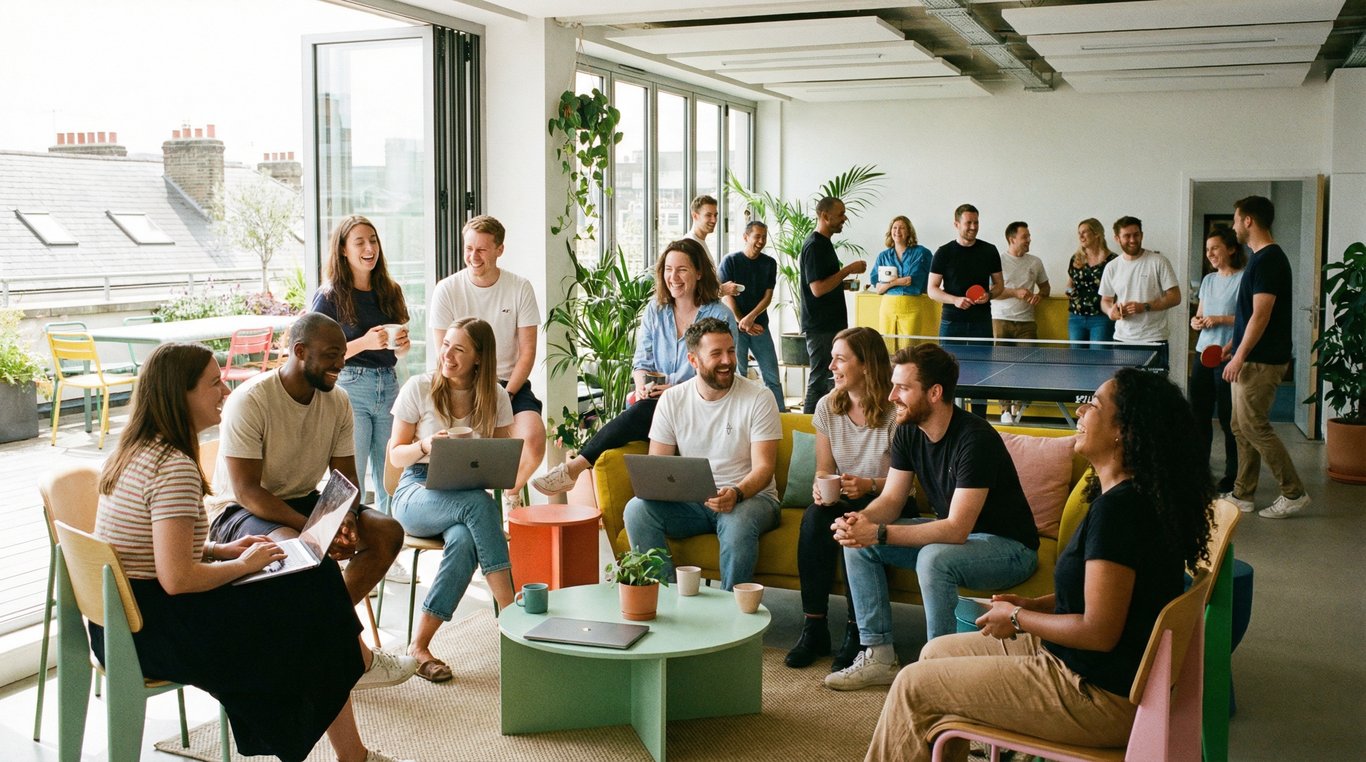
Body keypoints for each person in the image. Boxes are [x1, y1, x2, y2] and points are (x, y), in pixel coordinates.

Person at [864, 369, 1215, 762]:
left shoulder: (1120, 514)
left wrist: (1017, 618)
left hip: (1095, 695)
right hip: (1090, 670)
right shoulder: (1133, 498)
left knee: (914, 685)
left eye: (1093, 404)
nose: (1080, 411)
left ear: (1124, 430)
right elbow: (1113, 599)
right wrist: (1038, 606)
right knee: (934, 655)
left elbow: (1099, 631)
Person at [93, 343, 413, 762]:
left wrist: (223, 551)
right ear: (180, 394)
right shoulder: (173, 467)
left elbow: (156, 550)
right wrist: (244, 564)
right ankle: (354, 690)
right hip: (152, 631)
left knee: (309, 593)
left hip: (120, 623)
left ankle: (352, 705)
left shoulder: (136, 451)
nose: (224, 392)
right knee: (308, 610)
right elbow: (178, 579)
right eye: (213, 384)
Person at [825, 343, 1038, 691]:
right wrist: (860, 523)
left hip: (1009, 547)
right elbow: (892, 499)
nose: (892, 395)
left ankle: (938, 669)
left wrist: (879, 534)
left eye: (903, 388)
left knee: (934, 558)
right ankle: (878, 655)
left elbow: (956, 529)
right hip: (959, 540)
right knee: (857, 545)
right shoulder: (908, 429)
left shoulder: (975, 439)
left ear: (935, 393)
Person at [208, 312, 406, 609]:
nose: (341, 363)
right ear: (300, 351)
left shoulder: (338, 401)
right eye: (331, 355)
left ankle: (329, 625)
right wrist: (314, 530)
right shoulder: (251, 400)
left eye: (341, 354)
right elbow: (247, 491)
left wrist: (346, 518)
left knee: (387, 532)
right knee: (302, 553)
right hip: (239, 511)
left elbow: (346, 479)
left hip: (303, 501)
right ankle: (337, 638)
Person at [532, 239, 738, 496]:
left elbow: (725, 370)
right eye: (668, 269)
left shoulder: (719, 315)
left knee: (645, 409)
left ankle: (573, 469)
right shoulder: (656, 310)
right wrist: (641, 384)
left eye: (682, 269)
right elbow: (642, 362)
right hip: (659, 403)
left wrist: (673, 386)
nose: (673, 277)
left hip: (702, 401)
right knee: (643, 404)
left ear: (698, 272)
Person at [388, 318, 515, 682]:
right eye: (446, 345)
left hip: (462, 495)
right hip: (416, 491)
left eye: (459, 349)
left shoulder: (496, 395)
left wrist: (478, 455)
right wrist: (427, 446)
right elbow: (395, 457)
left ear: (479, 358)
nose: (448, 355)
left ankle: (419, 646)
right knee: (477, 505)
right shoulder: (420, 387)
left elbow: (505, 457)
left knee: (463, 540)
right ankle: (510, 613)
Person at [622, 317, 782, 589]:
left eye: (731, 351)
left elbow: (764, 469)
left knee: (738, 521)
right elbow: (657, 466)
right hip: (694, 504)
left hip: (750, 498)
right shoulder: (672, 401)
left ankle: (732, 613)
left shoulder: (759, 397)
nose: (727, 361)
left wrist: (736, 493)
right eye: (716, 354)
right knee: (637, 510)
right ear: (693, 361)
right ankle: (665, 598)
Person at [785, 326, 899, 672]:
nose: (831, 366)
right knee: (814, 519)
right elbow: (823, 469)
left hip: (885, 499)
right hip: (845, 498)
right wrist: (822, 487)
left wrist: (868, 485)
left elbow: (904, 484)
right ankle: (814, 627)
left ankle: (856, 633)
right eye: (832, 359)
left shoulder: (896, 411)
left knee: (854, 524)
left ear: (865, 365)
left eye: (840, 359)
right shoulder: (826, 407)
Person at [310, 214, 413, 585]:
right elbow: (319, 353)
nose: (369, 248)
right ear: (342, 249)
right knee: (346, 478)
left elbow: (398, 352)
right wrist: (364, 343)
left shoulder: (390, 290)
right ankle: (332, 556)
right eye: (360, 242)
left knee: (389, 475)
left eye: (373, 240)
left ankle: (385, 555)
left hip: (389, 383)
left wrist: (400, 346)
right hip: (350, 386)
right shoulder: (329, 296)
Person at [428, 215, 545, 508]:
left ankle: (509, 494)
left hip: (508, 385)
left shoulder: (519, 288)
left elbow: (527, 352)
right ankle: (471, 503)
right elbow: (443, 354)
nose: (473, 257)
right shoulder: (447, 289)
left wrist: (504, 395)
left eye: (481, 250)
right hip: (461, 385)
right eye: (469, 249)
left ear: (499, 250)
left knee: (533, 440)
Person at [1222, 195, 1310, 519]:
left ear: (1248, 221)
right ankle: (1243, 495)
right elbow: (1249, 315)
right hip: (1249, 358)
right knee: (1239, 426)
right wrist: (1235, 346)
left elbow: (1262, 315)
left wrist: (1239, 357)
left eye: (1235, 219)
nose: (1233, 225)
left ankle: (1294, 492)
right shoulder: (1259, 259)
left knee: (1254, 426)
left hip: (1261, 362)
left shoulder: (1270, 259)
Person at [927, 204, 1003, 417]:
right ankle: (950, 420)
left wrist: (990, 295)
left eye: (976, 222)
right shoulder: (943, 252)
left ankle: (979, 420)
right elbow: (932, 290)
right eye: (968, 222)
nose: (973, 227)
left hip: (981, 322)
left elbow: (999, 285)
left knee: (982, 374)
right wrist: (955, 300)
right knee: (947, 374)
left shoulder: (989, 250)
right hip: (952, 322)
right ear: (956, 224)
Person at [800, 196, 868, 414]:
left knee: (830, 378)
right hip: (820, 326)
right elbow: (817, 289)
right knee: (820, 378)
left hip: (830, 324)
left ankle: (828, 424)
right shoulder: (814, 246)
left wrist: (844, 283)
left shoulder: (824, 243)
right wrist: (847, 269)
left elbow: (826, 282)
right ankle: (807, 427)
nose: (844, 219)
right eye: (840, 215)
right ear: (825, 216)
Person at [1190, 226, 1245, 494]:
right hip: (1203, 354)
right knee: (1198, 415)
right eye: (1208, 249)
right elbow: (1201, 314)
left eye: (1215, 248)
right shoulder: (1208, 280)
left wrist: (1221, 319)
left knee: (1227, 417)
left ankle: (1233, 475)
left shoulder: (1244, 279)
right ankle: (1199, 471)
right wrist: (1196, 321)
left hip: (1227, 356)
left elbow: (1249, 319)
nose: (1209, 253)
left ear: (1231, 249)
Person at [719, 220, 786, 411]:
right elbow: (727, 295)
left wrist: (751, 318)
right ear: (746, 237)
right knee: (737, 375)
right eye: (757, 236)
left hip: (759, 327)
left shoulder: (769, 263)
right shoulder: (730, 261)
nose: (761, 241)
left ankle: (780, 416)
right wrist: (742, 320)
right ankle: (738, 414)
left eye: (764, 237)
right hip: (736, 328)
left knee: (772, 375)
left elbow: (768, 296)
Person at [1099, 216, 1181, 368]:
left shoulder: (1158, 261)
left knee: (1153, 390)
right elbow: (1105, 300)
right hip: (1122, 340)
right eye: (1127, 236)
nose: (1132, 240)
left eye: (1136, 234)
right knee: (1124, 390)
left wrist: (1144, 306)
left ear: (1141, 235)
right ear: (1117, 238)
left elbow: (1175, 297)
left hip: (1153, 339)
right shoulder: (1112, 267)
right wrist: (1111, 311)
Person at [990, 221, 1050, 423]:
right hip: (1001, 320)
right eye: (1025, 237)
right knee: (1002, 367)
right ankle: (1005, 409)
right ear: (1012, 239)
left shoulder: (1035, 262)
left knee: (1028, 366)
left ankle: (1019, 404)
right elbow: (990, 293)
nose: (1029, 240)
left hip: (1027, 322)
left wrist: (1039, 296)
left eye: (1029, 236)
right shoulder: (997, 261)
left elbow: (1046, 288)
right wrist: (1015, 292)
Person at [870, 215, 933, 351]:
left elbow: (929, 279)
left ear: (909, 231)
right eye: (894, 228)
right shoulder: (883, 256)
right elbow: (878, 288)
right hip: (888, 307)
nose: (897, 231)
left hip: (912, 306)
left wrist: (889, 284)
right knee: (887, 347)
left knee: (909, 349)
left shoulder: (922, 253)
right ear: (890, 231)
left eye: (902, 228)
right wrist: (898, 281)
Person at [1066, 218, 1118, 345]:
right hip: (1076, 317)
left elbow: (1119, 289)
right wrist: (1068, 291)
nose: (1081, 236)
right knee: (1077, 360)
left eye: (1084, 232)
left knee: (1099, 359)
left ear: (1096, 234)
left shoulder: (1113, 261)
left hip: (1101, 318)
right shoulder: (1076, 258)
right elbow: (1069, 283)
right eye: (1079, 233)